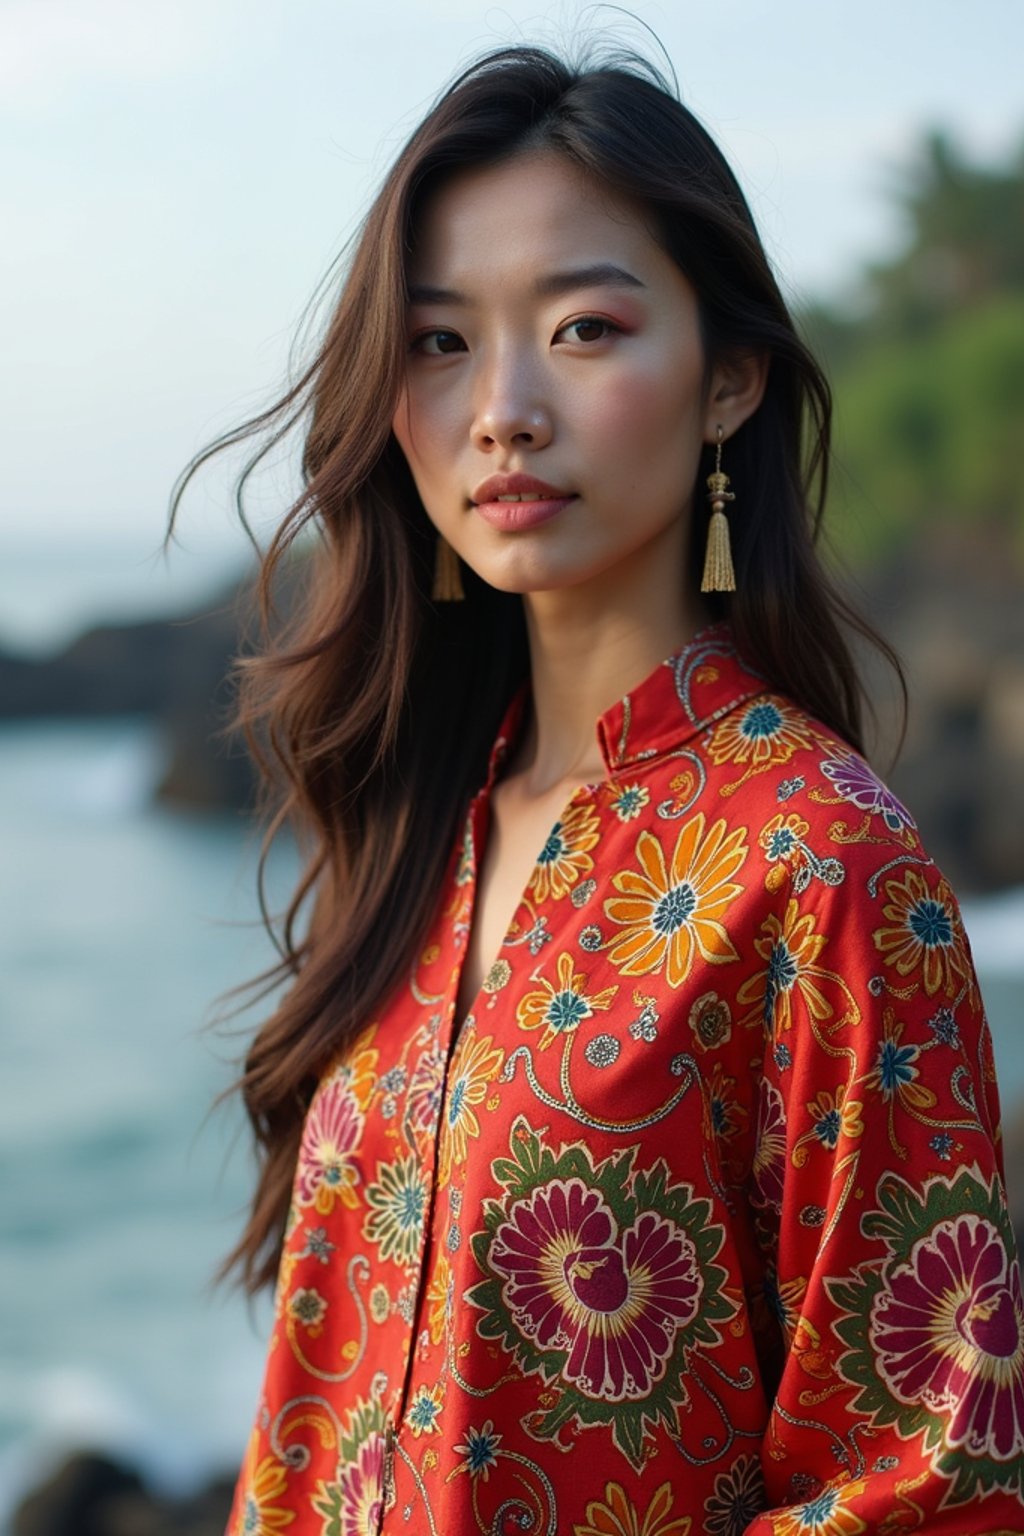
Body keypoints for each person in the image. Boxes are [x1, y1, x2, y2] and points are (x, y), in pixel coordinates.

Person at [176, 43, 1024, 1536]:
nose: (502, 408)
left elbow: (926, 1479)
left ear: (729, 380)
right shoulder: (419, 828)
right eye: (439, 345)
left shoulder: (821, 866)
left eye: (581, 328)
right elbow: (308, 1421)